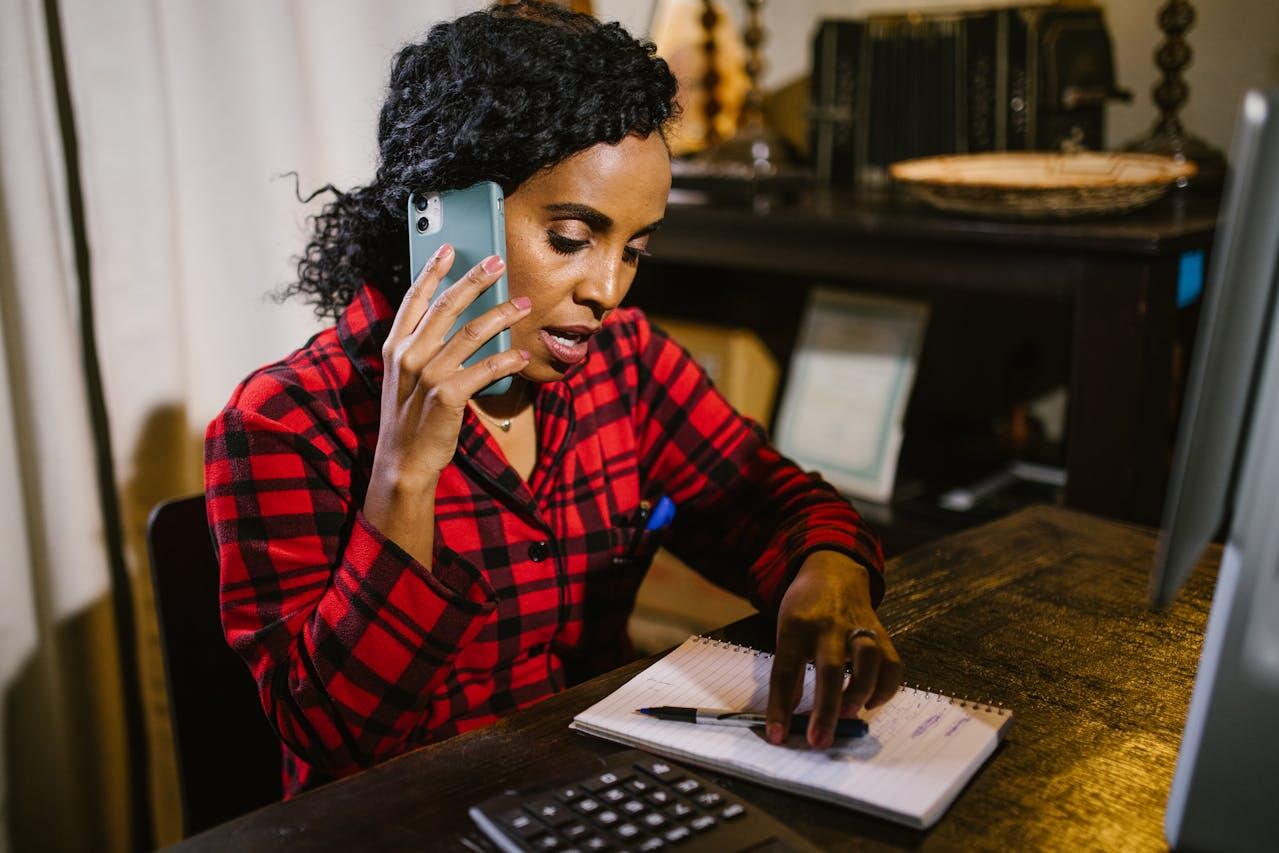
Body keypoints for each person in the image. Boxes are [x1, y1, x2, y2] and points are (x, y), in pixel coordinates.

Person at [205, 1, 901, 797]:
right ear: (448, 219)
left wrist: (826, 566)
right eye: (571, 239)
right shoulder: (283, 424)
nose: (607, 289)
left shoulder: (624, 363)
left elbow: (768, 499)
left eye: (633, 249)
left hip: (593, 795)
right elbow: (335, 737)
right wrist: (404, 477)